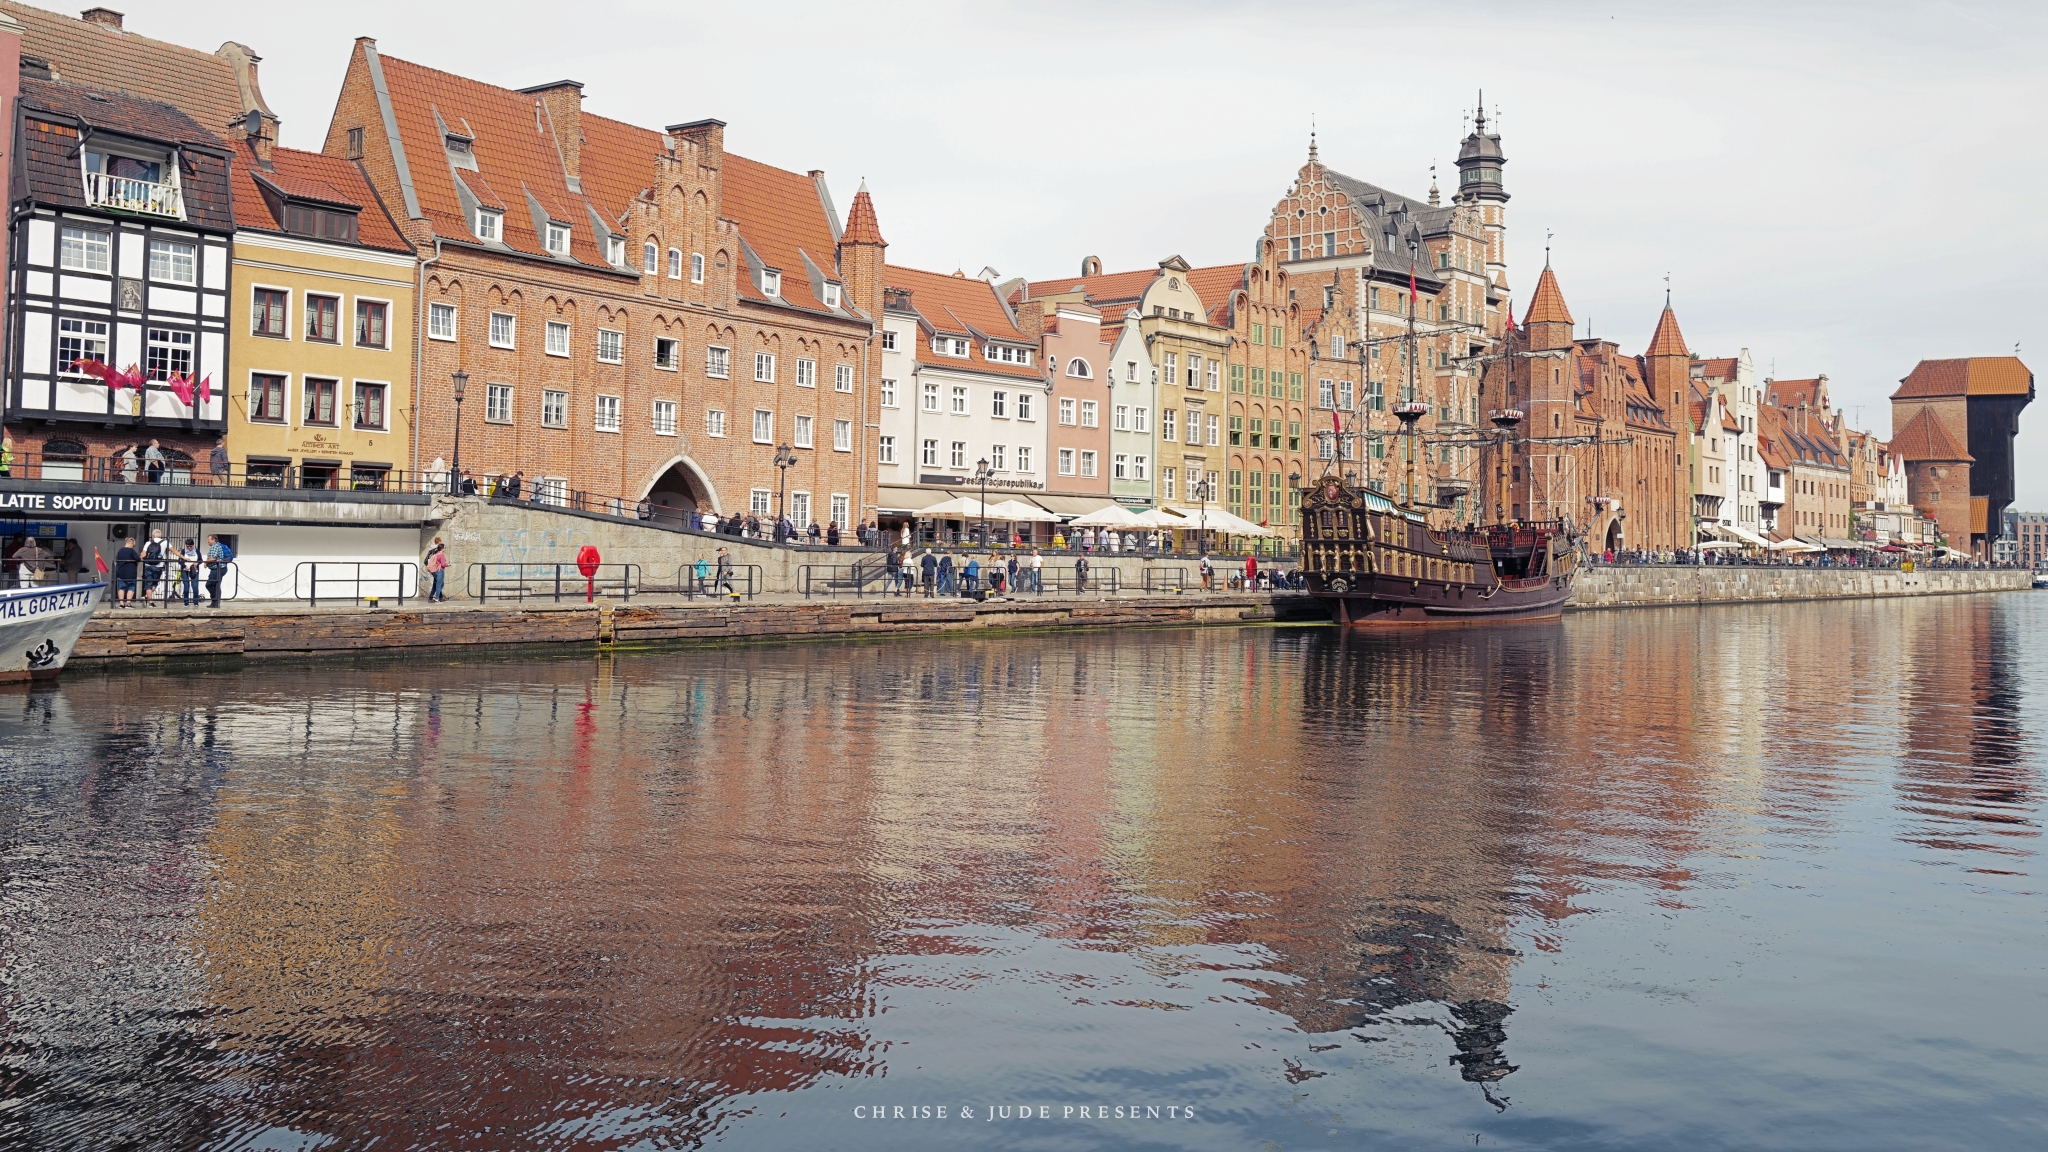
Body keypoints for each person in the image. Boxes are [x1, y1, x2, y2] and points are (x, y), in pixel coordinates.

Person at [203, 534, 231, 608]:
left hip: (217, 569)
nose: (207, 541)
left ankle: (215, 601)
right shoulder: (218, 545)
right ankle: (215, 603)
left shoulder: (215, 547)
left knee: (209, 585)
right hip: (221, 568)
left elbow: (213, 558)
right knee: (216, 585)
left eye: (209, 539)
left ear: (213, 540)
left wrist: (206, 562)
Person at [140, 530, 167, 605]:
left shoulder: (148, 543)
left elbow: (143, 554)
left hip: (148, 565)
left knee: (149, 584)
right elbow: (173, 550)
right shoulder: (165, 542)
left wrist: (139, 556)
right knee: (154, 584)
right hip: (159, 566)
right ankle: (150, 601)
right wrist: (183, 557)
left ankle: (146, 597)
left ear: (152, 536)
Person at [114, 537, 140, 607]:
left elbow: (117, 559)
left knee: (121, 587)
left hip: (120, 572)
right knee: (131, 587)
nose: (133, 546)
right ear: (131, 543)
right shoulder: (131, 551)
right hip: (130, 573)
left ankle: (121, 603)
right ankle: (128, 603)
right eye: (133, 545)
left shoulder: (120, 550)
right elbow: (138, 558)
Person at [424, 536, 450, 603]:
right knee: (438, 584)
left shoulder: (432, 550)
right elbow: (443, 563)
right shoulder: (436, 550)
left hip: (433, 569)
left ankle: (438, 597)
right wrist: (448, 564)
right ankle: (435, 597)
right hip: (437, 570)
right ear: (439, 542)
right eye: (440, 542)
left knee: (438, 583)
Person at [177, 538, 200, 605]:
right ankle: (186, 602)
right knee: (186, 586)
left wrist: (197, 563)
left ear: (193, 545)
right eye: (187, 546)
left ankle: (196, 602)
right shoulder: (183, 551)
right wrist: (184, 566)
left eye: (191, 546)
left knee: (195, 586)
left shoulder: (197, 551)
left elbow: (200, 560)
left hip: (194, 570)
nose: (189, 548)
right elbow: (180, 561)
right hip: (185, 570)